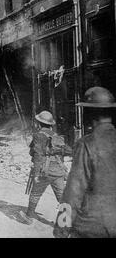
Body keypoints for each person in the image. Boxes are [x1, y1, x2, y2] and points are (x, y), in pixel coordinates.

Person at [54, 87, 116, 238]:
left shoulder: (87, 144)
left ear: (89, 114)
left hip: (93, 228)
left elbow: (73, 191)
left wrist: (61, 228)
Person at [20, 111, 72, 225]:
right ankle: (65, 223)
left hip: (45, 171)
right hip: (59, 170)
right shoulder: (56, 136)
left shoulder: (39, 136)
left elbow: (37, 156)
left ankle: (29, 217)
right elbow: (66, 151)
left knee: (35, 193)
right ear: (50, 125)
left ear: (39, 124)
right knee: (62, 197)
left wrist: (36, 174)